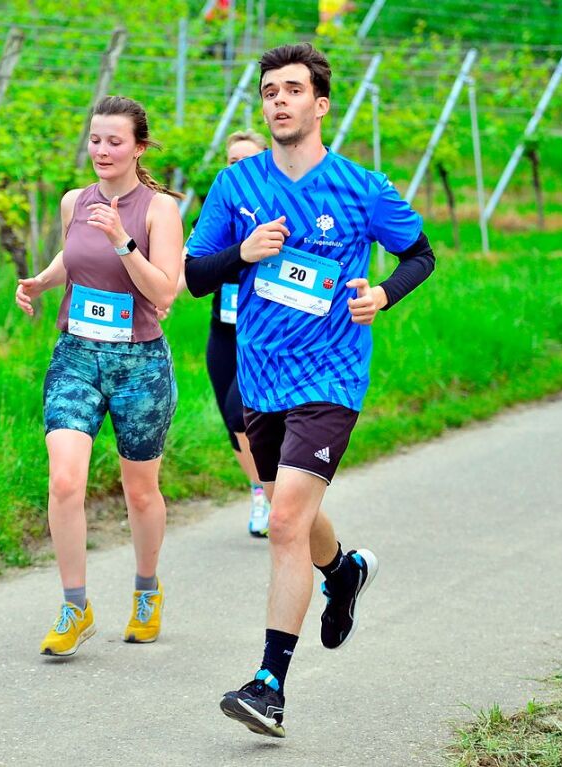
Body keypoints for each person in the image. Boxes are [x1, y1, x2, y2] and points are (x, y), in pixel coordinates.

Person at [185, 43, 435, 737]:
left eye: (292, 90)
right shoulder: (236, 187)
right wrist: (244, 252)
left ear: (319, 105)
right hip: (259, 377)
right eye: (269, 91)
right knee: (299, 515)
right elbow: (195, 276)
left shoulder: (362, 188)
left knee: (285, 518)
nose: (279, 100)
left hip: (331, 375)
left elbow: (421, 253)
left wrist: (382, 292)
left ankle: (268, 683)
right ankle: (344, 570)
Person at [15, 95, 184, 657]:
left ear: (139, 147)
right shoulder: (73, 201)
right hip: (76, 356)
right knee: (64, 481)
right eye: (95, 140)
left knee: (140, 492)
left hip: (140, 364)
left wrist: (120, 238)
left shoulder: (159, 210)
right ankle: (74, 605)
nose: (102, 151)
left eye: (115, 141)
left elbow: (165, 293)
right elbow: (73, 257)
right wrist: (41, 281)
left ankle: (145, 589)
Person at [195, 130, 274, 537]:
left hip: (262, 336)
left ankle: (271, 495)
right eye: (232, 162)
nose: (239, 168)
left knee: (238, 413)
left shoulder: (280, 211)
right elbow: (193, 267)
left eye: (248, 160)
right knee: (234, 427)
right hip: (222, 331)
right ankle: (263, 492)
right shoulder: (216, 214)